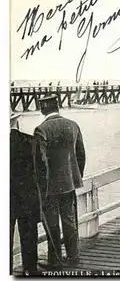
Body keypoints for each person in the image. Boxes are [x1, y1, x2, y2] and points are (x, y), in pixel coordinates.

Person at [33, 95, 86, 269]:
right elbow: (81, 155)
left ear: (43, 109)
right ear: (57, 106)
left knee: (52, 223)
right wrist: (76, 176)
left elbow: (40, 163)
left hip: (50, 187)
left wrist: (41, 186)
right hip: (69, 183)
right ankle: (73, 256)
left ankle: (55, 260)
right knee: (69, 220)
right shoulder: (73, 125)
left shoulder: (41, 130)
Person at [10, 111, 39, 274]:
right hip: (27, 195)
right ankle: (30, 269)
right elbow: (39, 169)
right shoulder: (30, 141)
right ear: (16, 122)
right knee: (28, 233)